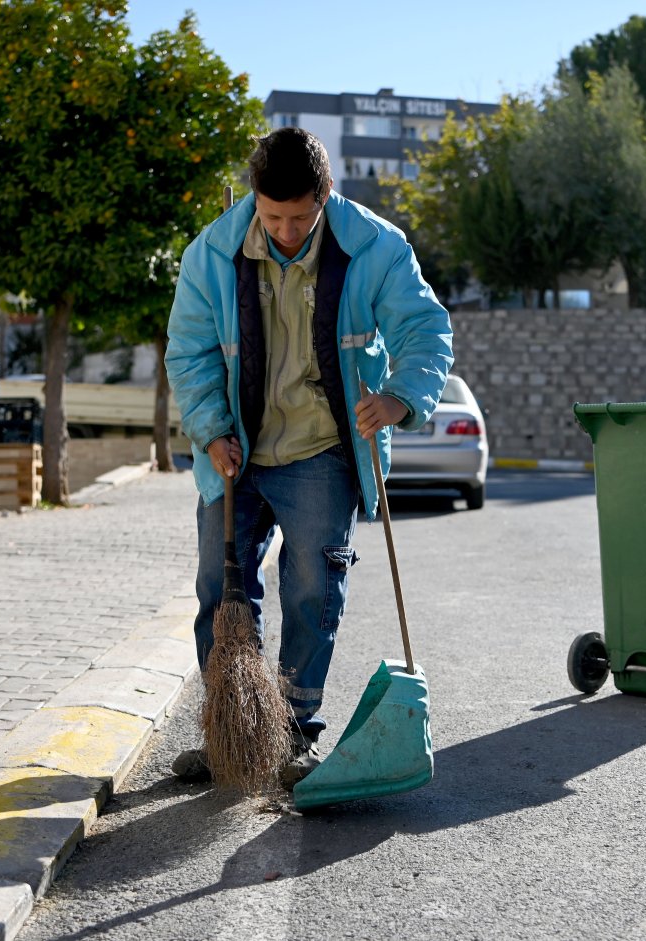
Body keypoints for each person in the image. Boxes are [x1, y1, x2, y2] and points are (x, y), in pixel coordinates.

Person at [165, 127, 453, 789]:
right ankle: (232, 732)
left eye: (301, 216)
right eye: (272, 217)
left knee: (312, 591)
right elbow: (189, 353)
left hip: (322, 448)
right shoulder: (210, 253)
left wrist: (400, 396)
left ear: (325, 195)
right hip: (236, 448)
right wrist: (210, 429)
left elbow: (425, 328)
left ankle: (294, 733)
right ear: (255, 201)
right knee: (221, 591)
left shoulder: (376, 246)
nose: (287, 230)